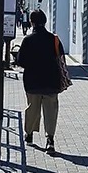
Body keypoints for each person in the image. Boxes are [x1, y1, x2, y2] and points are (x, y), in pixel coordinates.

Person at [15, 9, 66, 155]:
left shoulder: (28, 40)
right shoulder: (53, 39)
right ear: (45, 21)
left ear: (31, 22)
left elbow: (21, 61)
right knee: (51, 111)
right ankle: (50, 139)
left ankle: (29, 134)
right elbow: (61, 58)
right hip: (51, 81)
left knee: (32, 108)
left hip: (32, 81)